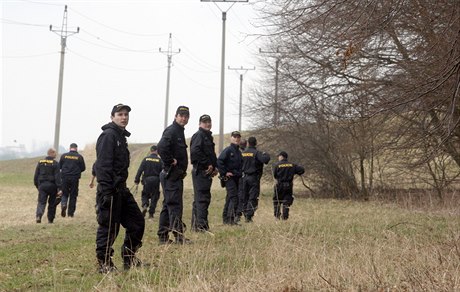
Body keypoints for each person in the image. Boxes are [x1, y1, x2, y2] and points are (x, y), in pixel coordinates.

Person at [95, 103, 145, 273]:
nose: (124, 117)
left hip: (122, 190)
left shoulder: (120, 137)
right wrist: (107, 192)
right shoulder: (108, 136)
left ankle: (129, 257)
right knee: (109, 227)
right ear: (112, 117)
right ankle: (104, 263)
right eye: (120, 114)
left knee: (137, 222)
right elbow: (102, 166)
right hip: (110, 191)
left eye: (126, 115)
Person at [157, 106, 191, 244]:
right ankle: (179, 237)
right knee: (175, 205)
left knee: (168, 205)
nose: (183, 118)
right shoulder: (172, 130)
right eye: (181, 115)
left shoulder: (179, 131)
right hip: (171, 175)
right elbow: (161, 147)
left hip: (174, 176)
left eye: (186, 116)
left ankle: (163, 237)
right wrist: (170, 161)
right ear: (176, 116)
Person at [190, 114, 218, 232]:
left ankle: (196, 226)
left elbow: (210, 154)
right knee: (202, 199)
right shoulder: (199, 135)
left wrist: (215, 167)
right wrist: (208, 164)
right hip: (201, 171)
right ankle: (202, 227)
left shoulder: (207, 136)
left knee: (201, 199)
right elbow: (195, 152)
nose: (207, 124)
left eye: (209, 121)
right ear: (200, 124)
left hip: (206, 172)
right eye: (205, 122)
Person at [240, 137, 271, 222]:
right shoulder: (257, 153)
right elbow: (265, 159)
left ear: (248, 143)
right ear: (255, 143)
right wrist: (266, 154)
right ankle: (249, 217)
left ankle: (245, 213)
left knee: (245, 196)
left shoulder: (243, 153)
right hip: (253, 178)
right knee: (253, 197)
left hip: (244, 178)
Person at [217, 131, 243, 225]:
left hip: (236, 178)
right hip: (229, 179)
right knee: (234, 198)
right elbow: (219, 161)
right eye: (235, 137)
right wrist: (224, 173)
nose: (237, 139)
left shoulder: (238, 152)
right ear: (231, 138)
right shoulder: (228, 150)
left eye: (238, 137)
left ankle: (226, 220)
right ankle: (231, 220)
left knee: (229, 198)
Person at [272, 151, 305, 220]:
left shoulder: (277, 165)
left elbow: (274, 175)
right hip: (289, 186)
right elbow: (302, 170)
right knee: (286, 201)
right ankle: (285, 217)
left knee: (277, 200)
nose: (278, 158)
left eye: (279, 156)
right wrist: (295, 172)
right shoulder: (292, 165)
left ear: (282, 156)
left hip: (279, 185)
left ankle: (277, 216)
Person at [33, 148, 62, 223]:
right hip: (52, 186)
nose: (56, 154)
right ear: (51, 153)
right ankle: (50, 219)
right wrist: (60, 188)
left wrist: (38, 186)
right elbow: (57, 177)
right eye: (55, 153)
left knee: (41, 202)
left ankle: (39, 215)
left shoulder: (40, 162)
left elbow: (36, 175)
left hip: (42, 185)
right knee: (52, 203)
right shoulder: (55, 163)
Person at [134, 145, 163, 219]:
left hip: (147, 180)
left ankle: (145, 205)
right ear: (157, 151)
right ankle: (151, 214)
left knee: (145, 194)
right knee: (155, 196)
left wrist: (137, 180)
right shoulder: (160, 160)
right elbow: (163, 172)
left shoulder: (145, 159)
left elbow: (140, 170)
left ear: (151, 151)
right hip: (156, 180)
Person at [59, 143, 86, 218]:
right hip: (74, 178)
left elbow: (59, 166)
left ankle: (64, 204)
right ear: (76, 148)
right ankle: (70, 214)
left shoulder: (64, 156)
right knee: (73, 195)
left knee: (64, 193)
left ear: (70, 148)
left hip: (64, 177)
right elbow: (83, 168)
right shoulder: (79, 157)